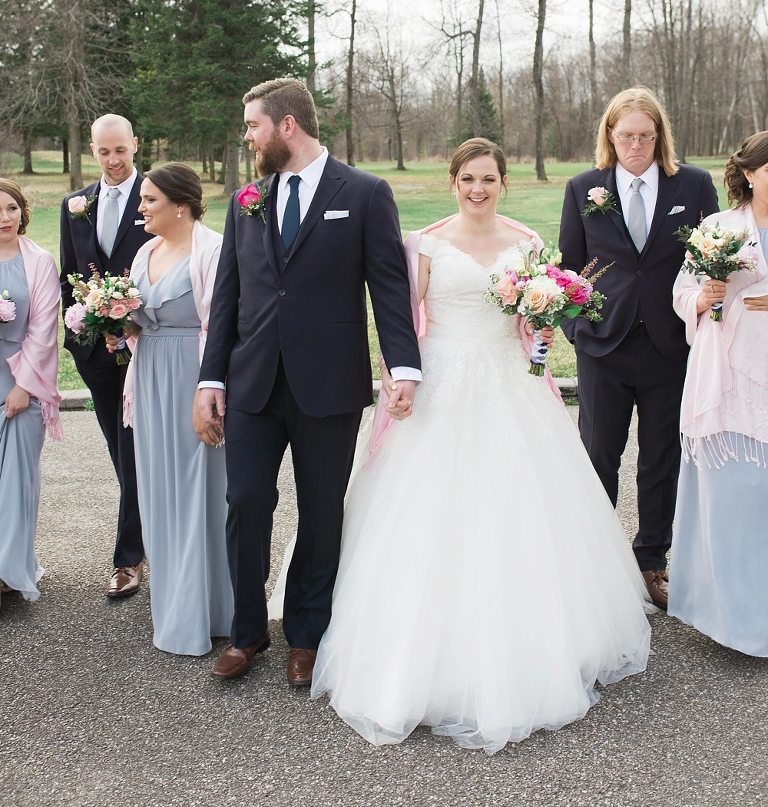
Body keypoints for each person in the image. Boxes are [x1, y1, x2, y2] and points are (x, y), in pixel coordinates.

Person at [310, 138, 652, 753]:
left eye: (489, 178)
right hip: (440, 381)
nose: (478, 188)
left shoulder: (527, 243)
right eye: (468, 177)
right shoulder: (425, 244)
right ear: (452, 181)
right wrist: (396, 378)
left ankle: (536, 643)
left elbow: (535, 322)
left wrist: (546, 322)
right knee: (426, 513)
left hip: (509, 382)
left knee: (521, 508)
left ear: (503, 183)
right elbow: (400, 318)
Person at [195, 78, 421, 686]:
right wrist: (211, 376)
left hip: (328, 383)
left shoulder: (366, 193)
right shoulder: (247, 199)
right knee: (245, 502)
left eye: (252, 126)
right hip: (253, 383)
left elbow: (389, 289)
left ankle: (306, 634)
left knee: (322, 513)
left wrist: (404, 367)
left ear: (286, 125)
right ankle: (247, 634)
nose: (248, 137)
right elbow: (227, 298)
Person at [558, 87, 719, 609]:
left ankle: (652, 560)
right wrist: (577, 332)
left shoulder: (692, 185)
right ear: (611, 135)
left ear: (659, 136)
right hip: (603, 345)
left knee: (661, 458)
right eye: (626, 135)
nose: (636, 145)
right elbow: (566, 271)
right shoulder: (583, 188)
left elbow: (712, 258)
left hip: (671, 344)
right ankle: (598, 566)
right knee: (599, 454)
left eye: (646, 136)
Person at [108, 163, 232, 655]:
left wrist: (211, 388)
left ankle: (210, 610)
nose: (141, 208)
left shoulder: (214, 250)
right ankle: (176, 604)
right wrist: (115, 321)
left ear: (180, 205)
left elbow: (222, 324)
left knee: (197, 490)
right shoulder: (145, 250)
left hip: (193, 378)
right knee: (158, 489)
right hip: (151, 374)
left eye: (150, 200)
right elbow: (140, 316)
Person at [668, 132, 768, 655]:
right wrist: (703, 296)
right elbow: (683, 292)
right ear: (749, 174)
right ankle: (735, 623)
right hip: (728, 377)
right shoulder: (717, 228)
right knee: (733, 500)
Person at [60, 114, 147, 598]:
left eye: (121, 151)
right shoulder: (76, 205)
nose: (114, 162)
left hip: (145, 348)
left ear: (134, 145)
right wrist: (80, 338)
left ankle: (128, 557)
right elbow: (68, 276)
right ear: (92, 151)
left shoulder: (156, 195)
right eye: (104, 152)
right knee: (120, 450)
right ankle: (148, 534)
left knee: (134, 450)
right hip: (95, 353)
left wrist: (134, 328)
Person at [0, 179, 61, 603]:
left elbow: (42, 331)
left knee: (17, 482)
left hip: (23, 382)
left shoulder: (38, 261)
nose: (3, 218)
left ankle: (9, 571)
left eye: (10, 208)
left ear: (22, 211)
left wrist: (23, 388)